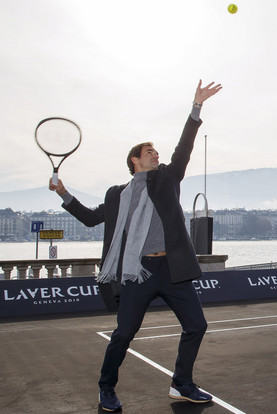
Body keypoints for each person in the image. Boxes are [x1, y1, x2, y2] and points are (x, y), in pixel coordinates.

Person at [49, 80, 222, 412]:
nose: (155, 155)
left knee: (196, 325)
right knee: (124, 334)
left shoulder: (168, 178)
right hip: (137, 273)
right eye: (149, 152)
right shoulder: (118, 195)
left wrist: (196, 108)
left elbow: (183, 148)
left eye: (156, 151)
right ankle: (106, 388)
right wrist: (63, 194)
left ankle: (181, 384)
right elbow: (88, 218)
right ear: (134, 161)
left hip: (172, 269)